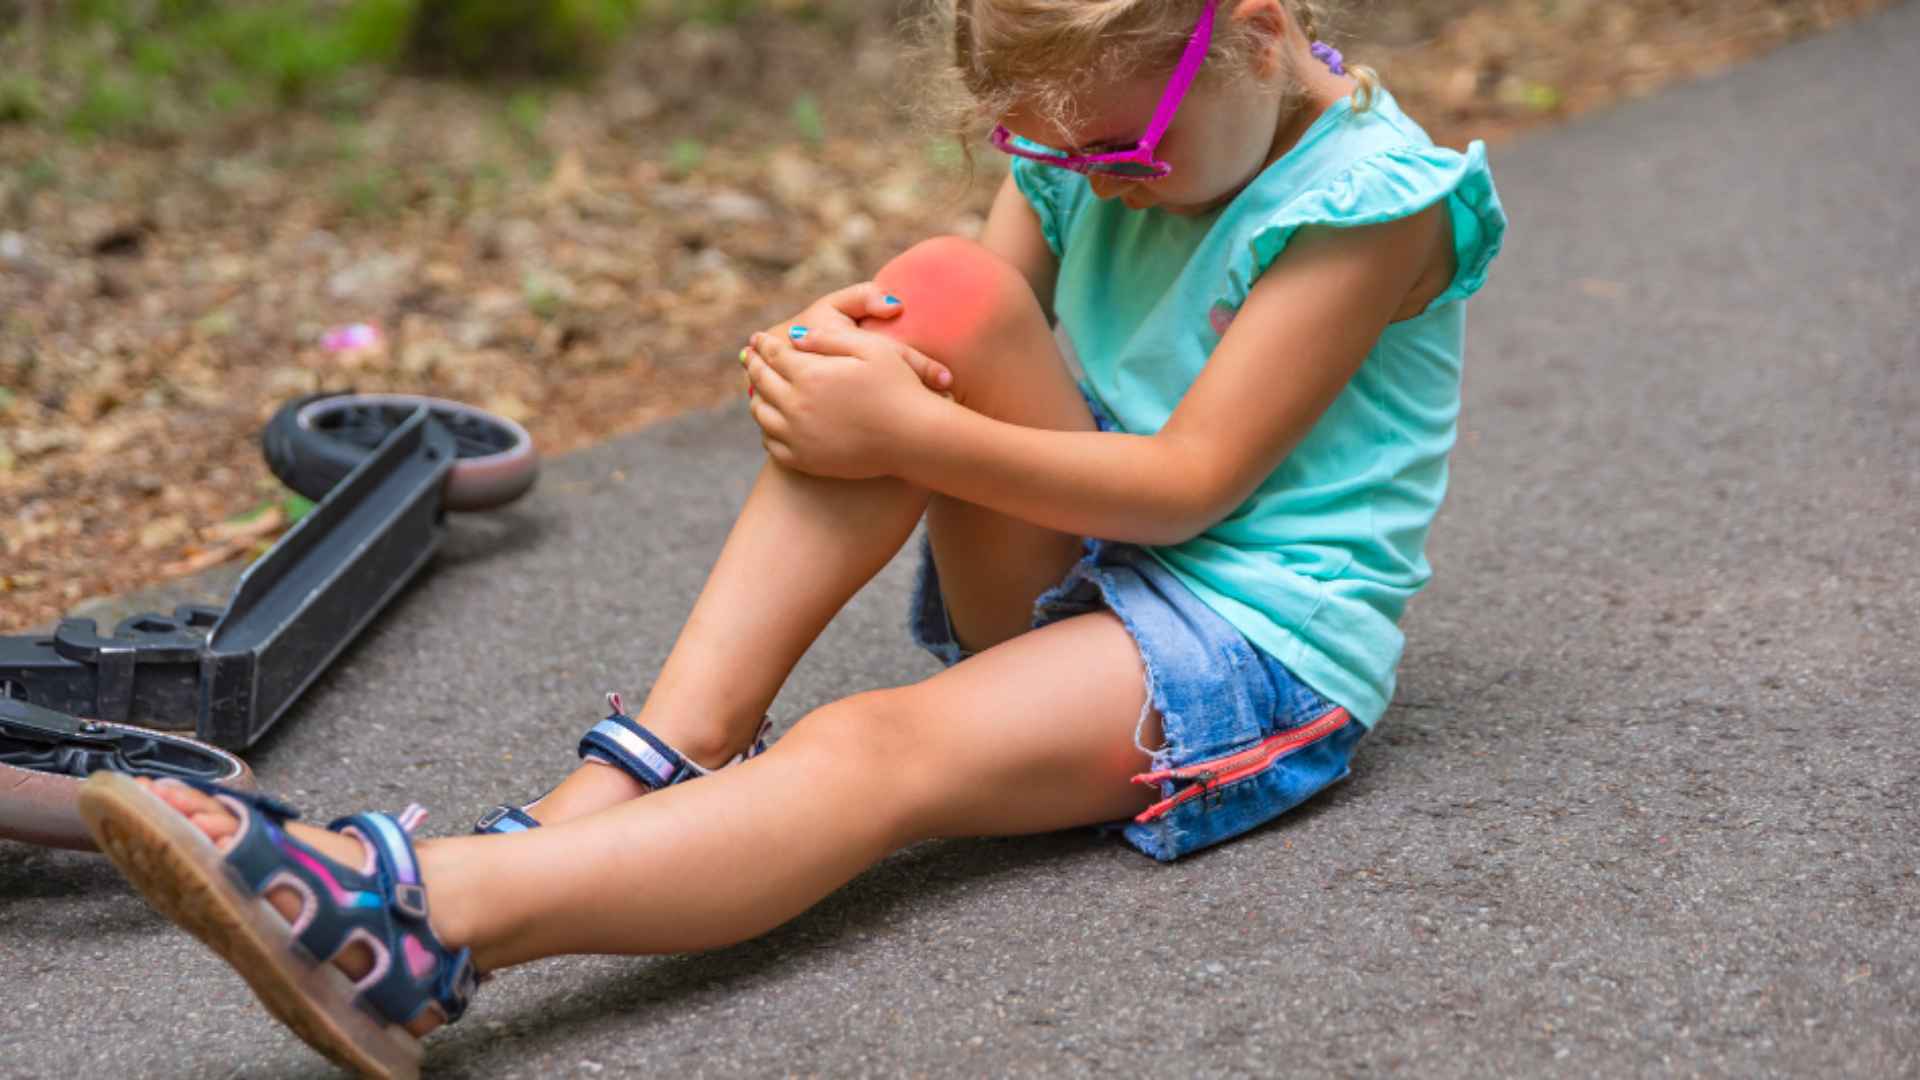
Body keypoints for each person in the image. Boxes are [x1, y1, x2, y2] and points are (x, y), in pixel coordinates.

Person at [77, 1, 1506, 1076]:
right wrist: (852, 368)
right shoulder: (1090, 133)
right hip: (1076, 551)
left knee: (869, 752)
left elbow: (1193, 483)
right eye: (1042, 150)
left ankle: (430, 916)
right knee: (931, 292)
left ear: (1256, 33)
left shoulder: (1373, 206)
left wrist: (905, 432)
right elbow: (949, 360)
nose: (1089, 178)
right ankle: (616, 786)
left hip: (1242, 644)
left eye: (1120, 149)